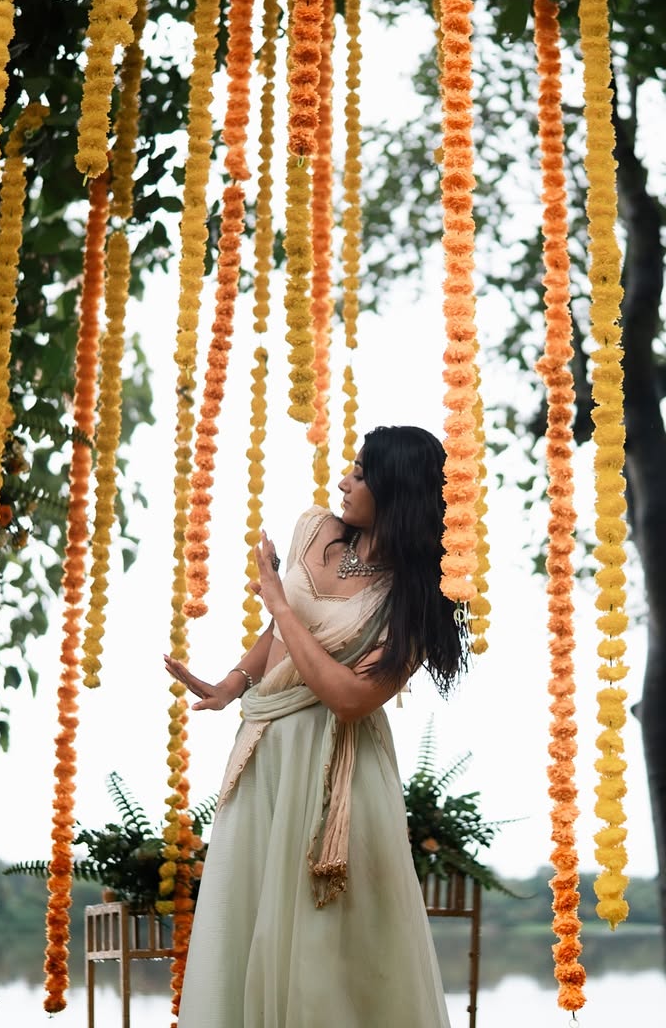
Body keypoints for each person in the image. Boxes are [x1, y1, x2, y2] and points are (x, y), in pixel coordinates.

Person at [164, 425, 469, 1027]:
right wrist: (232, 684)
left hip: (337, 769)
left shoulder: (414, 599)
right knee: (244, 914)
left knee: (329, 944)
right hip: (265, 752)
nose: (345, 480)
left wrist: (278, 600)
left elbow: (350, 698)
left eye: (361, 472)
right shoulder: (315, 528)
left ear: (397, 490)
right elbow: (282, 636)